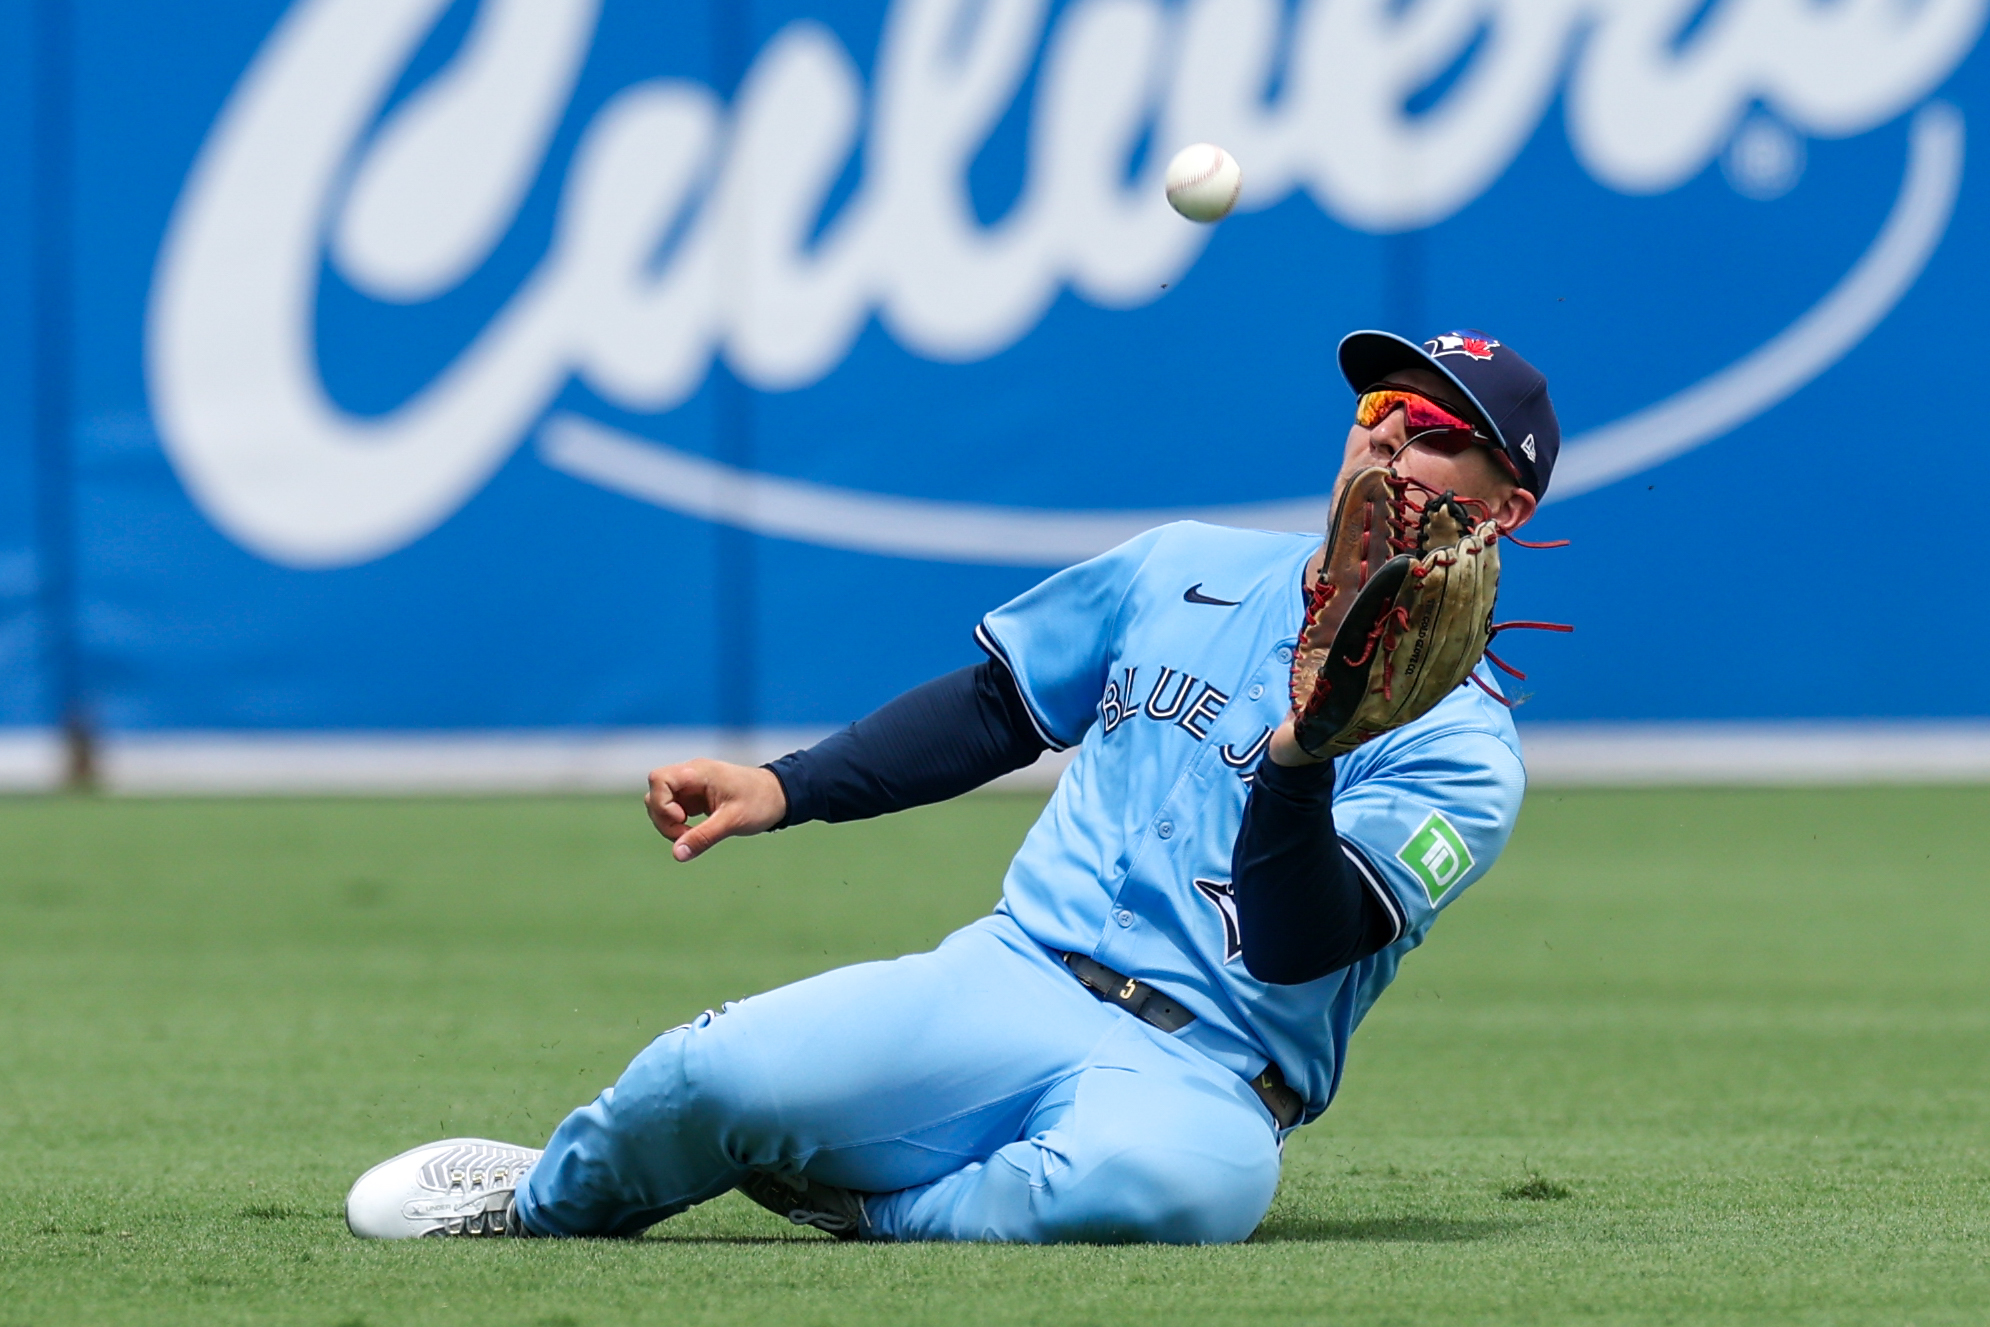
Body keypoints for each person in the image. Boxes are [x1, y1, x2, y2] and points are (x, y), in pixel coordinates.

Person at [345, 328, 1560, 1245]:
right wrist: (786, 787)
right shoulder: (1183, 568)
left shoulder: (1464, 749)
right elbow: (999, 705)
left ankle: (873, 1210)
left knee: (1177, 1190)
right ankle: (541, 1195)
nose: (1390, 433)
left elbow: (1304, 943)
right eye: (1378, 406)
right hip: (1014, 974)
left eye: (1436, 427)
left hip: (1204, 1075)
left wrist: (1303, 755)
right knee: (711, 1075)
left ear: (1506, 505)